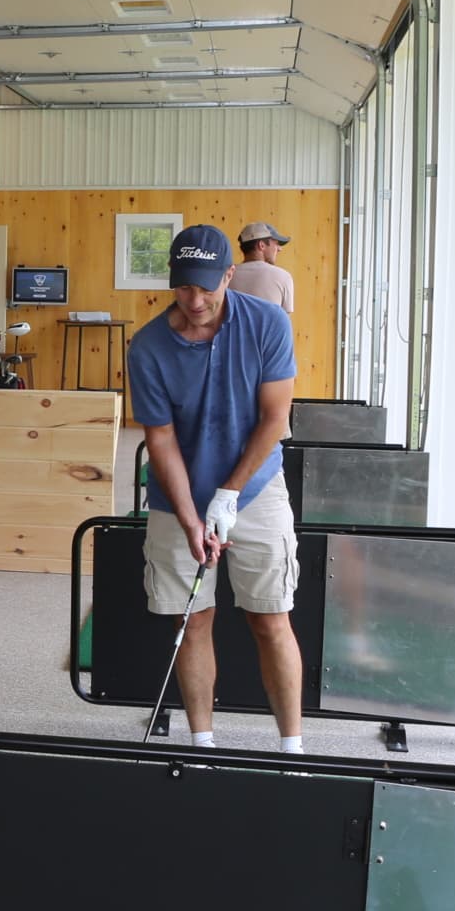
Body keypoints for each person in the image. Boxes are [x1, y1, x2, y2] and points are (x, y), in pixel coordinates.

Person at [126, 225, 304, 753]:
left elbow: (275, 419)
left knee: (271, 618)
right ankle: (201, 745)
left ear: (229, 274)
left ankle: (292, 750)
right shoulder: (149, 346)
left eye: (206, 287)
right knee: (193, 619)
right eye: (184, 287)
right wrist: (190, 518)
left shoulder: (267, 323)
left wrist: (229, 493)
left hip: (257, 489)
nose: (196, 300)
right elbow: (160, 439)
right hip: (177, 496)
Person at [231, 221, 295, 313]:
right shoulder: (283, 277)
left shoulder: (227, 275)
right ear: (261, 245)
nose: (279, 249)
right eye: (276, 243)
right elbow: (284, 319)